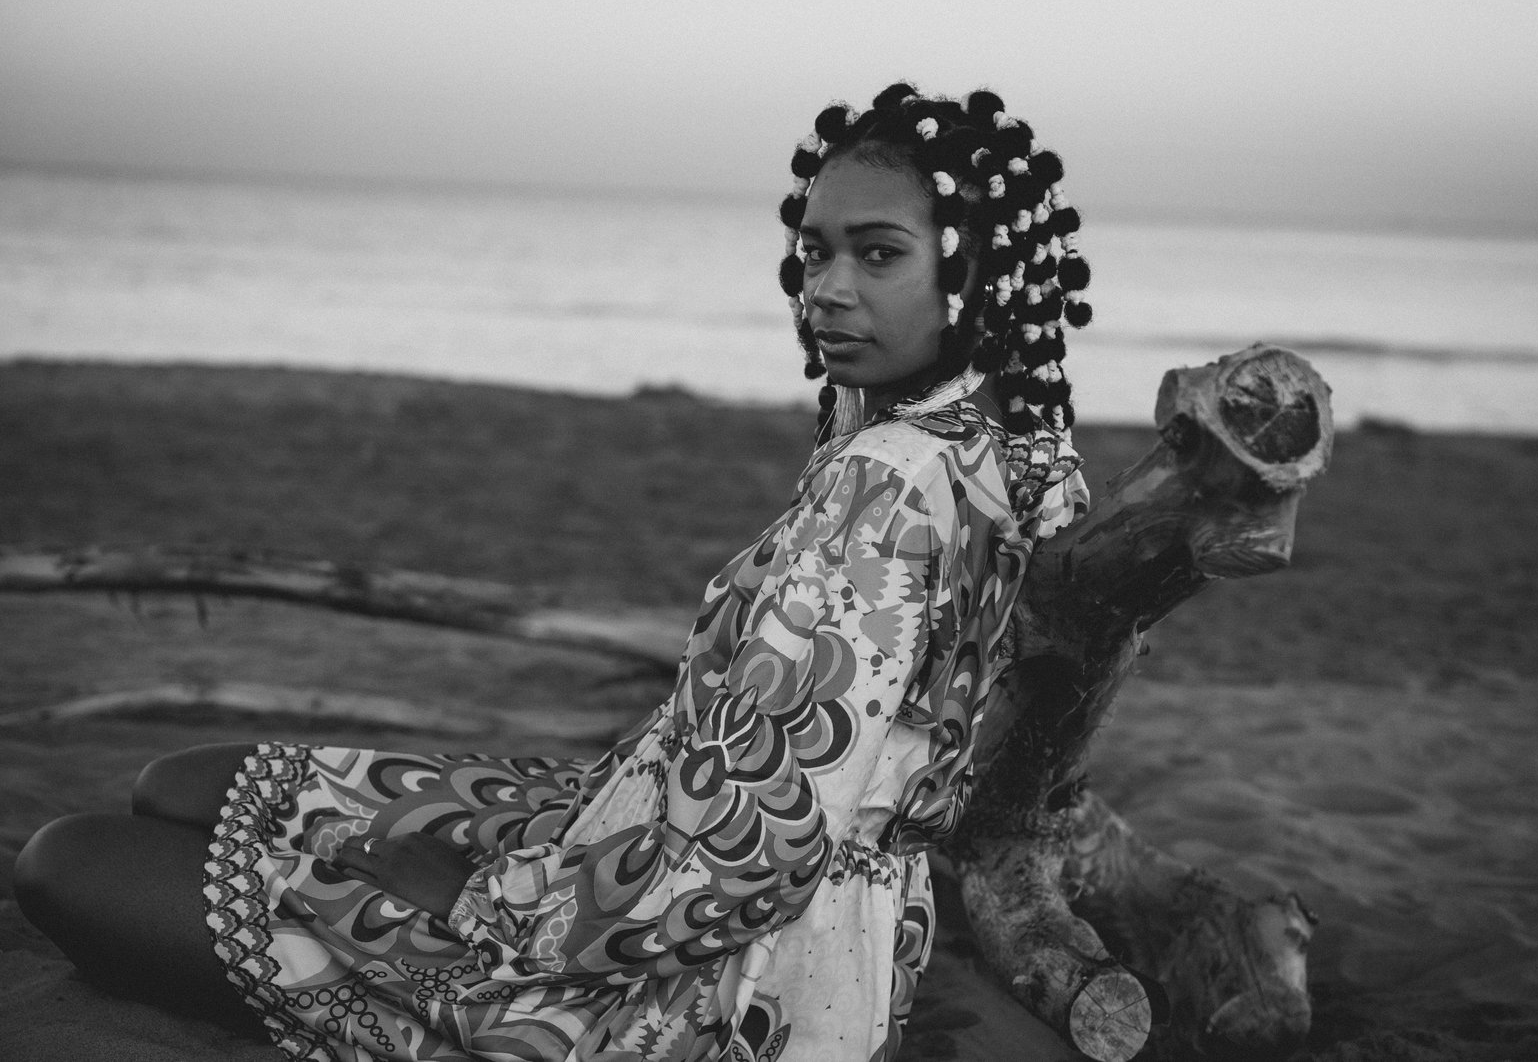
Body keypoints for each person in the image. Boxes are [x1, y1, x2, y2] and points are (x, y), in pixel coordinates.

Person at [15, 82, 1093, 1062]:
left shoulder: (887, 482)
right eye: (814, 253)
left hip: (708, 978)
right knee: (195, 785)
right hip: (816, 924)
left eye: (877, 253)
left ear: (972, 270)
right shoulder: (999, 454)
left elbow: (747, 856)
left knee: (69, 860)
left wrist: (490, 902)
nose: (828, 288)